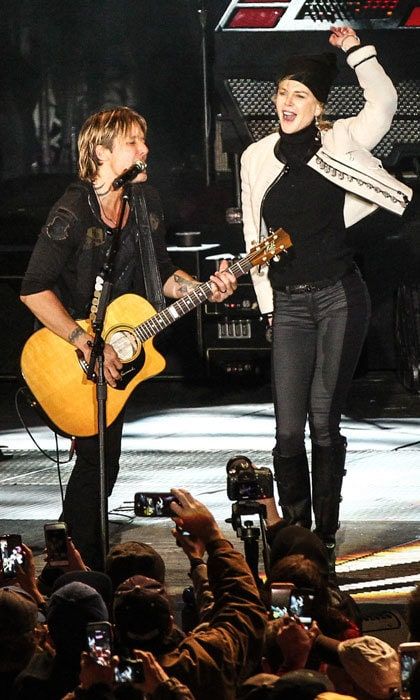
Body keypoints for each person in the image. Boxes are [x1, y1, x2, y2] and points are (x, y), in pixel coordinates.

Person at [20, 106, 237, 570]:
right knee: (99, 464)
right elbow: (33, 289)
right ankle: (83, 569)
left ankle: (70, 562)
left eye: (144, 140)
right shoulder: (73, 209)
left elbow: (161, 276)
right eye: (133, 143)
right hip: (69, 355)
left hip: (115, 353)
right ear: (101, 152)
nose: (145, 149)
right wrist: (83, 339)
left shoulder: (146, 202)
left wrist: (201, 289)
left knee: (102, 465)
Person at [240, 25, 413, 571]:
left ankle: (327, 536)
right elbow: (252, 236)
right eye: (282, 93)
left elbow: (384, 101)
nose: (287, 103)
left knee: (321, 421)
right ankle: (295, 532)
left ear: (318, 106)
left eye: (300, 96)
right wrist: (267, 306)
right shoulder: (255, 157)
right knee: (286, 426)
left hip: (340, 296)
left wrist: (357, 51)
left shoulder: (341, 139)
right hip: (289, 304)